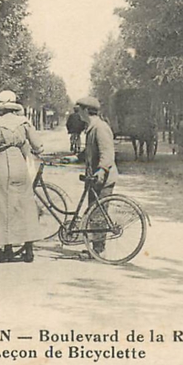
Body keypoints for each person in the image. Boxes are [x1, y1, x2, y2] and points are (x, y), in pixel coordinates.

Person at [0, 91, 44, 263]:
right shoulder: (24, 123)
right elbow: (38, 146)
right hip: (20, 166)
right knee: (24, 205)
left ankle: (6, 250)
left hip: (2, 165)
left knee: (2, 207)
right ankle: (29, 250)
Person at [76, 96, 117, 255]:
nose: (78, 113)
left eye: (79, 110)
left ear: (86, 111)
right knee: (94, 211)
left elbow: (107, 153)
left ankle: (99, 250)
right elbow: (90, 151)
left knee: (98, 213)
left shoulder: (100, 128)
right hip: (95, 178)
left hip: (102, 177)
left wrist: (101, 170)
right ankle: (95, 247)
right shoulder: (92, 127)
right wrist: (75, 158)